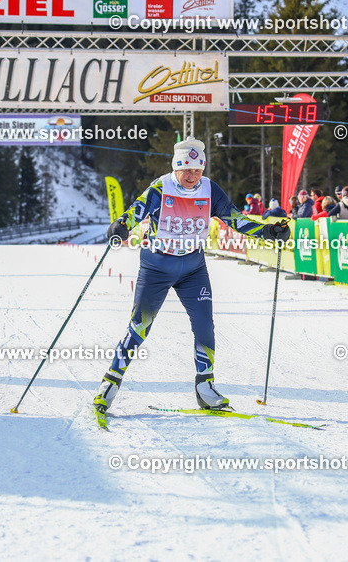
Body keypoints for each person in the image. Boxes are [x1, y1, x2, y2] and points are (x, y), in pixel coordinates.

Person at [96, 139, 290, 427]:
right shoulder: (161, 187)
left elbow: (236, 219)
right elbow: (134, 213)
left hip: (192, 268)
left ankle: (205, 386)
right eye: (187, 169)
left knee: (204, 325)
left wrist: (269, 231)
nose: (192, 176)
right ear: (177, 166)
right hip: (157, 265)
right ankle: (110, 384)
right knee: (139, 326)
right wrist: (121, 226)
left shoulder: (211, 189)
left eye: (197, 170)